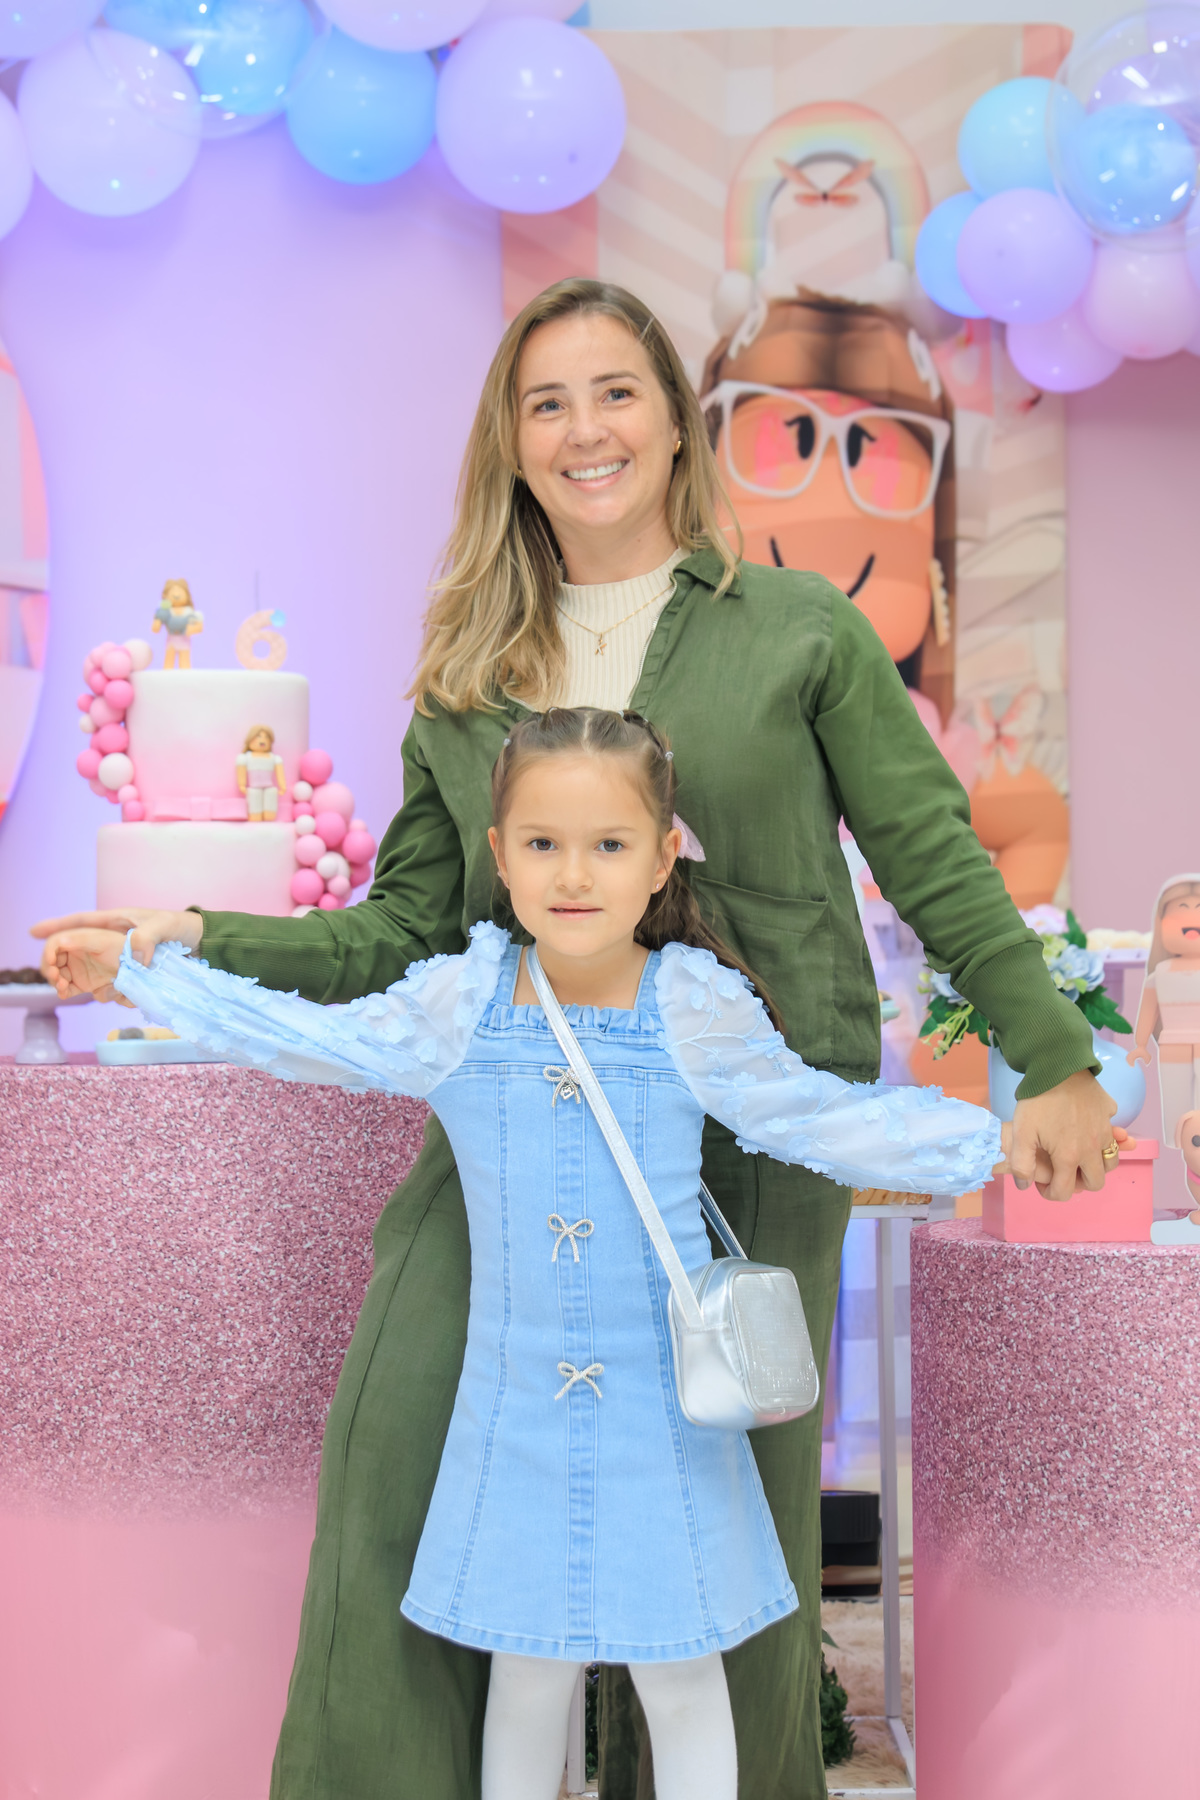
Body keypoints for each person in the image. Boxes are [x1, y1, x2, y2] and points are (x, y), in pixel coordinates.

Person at [36, 277, 1116, 1800]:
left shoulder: (797, 631)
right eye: (547, 402)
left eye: (617, 392)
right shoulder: (467, 679)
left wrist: (1053, 1059)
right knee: (405, 1454)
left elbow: (932, 856)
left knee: (731, 1523)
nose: (585, 429)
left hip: (756, 1119)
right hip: (518, 1116)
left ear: (675, 421)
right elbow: (397, 933)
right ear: (512, 442)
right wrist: (198, 937)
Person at [111, 707, 1002, 1800]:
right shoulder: (461, 999)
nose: (574, 875)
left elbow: (813, 1117)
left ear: (663, 857)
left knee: (683, 1675)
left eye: (609, 845)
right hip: (514, 1405)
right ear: (500, 854)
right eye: (542, 843)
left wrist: (992, 1144)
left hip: (668, 1413)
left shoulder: (695, 1001)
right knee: (524, 1673)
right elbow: (313, 1039)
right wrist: (159, 974)